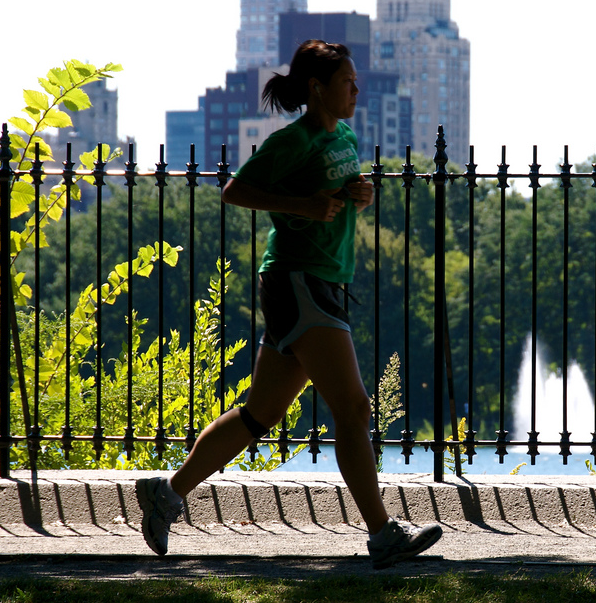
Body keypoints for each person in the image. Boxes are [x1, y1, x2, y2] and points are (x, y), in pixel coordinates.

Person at [135, 39, 442, 569]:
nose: (356, 89)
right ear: (317, 88)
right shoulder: (292, 141)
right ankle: (383, 533)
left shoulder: (343, 135)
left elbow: (336, 189)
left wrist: (356, 194)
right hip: (298, 282)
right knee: (353, 409)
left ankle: (167, 492)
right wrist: (303, 204)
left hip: (321, 281)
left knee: (261, 413)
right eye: (347, 81)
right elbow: (235, 191)